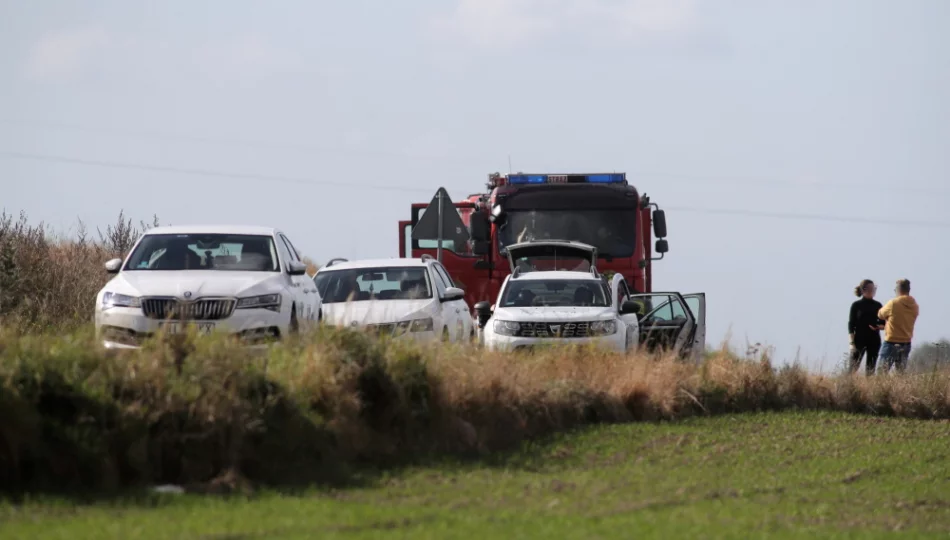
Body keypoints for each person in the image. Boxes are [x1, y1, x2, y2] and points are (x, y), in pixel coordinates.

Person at [878, 278, 920, 373]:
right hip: (906, 342)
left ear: (898, 289)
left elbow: (880, 314)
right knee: (900, 373)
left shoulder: (893, 303)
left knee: (882, 372)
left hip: (891, 341)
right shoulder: (915, 305)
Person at [848, 279, 884, 375]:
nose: (872, 290)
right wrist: (851, 343)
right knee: (853, 368)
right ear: (863, 290)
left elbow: (884, 324)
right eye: (870, 288)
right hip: (859, 339)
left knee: (870, 369)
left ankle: (869, 387)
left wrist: (877, 327)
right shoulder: (856, 305)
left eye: (874, 288)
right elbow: (851, 324)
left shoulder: (878, 305)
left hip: (874, 340)